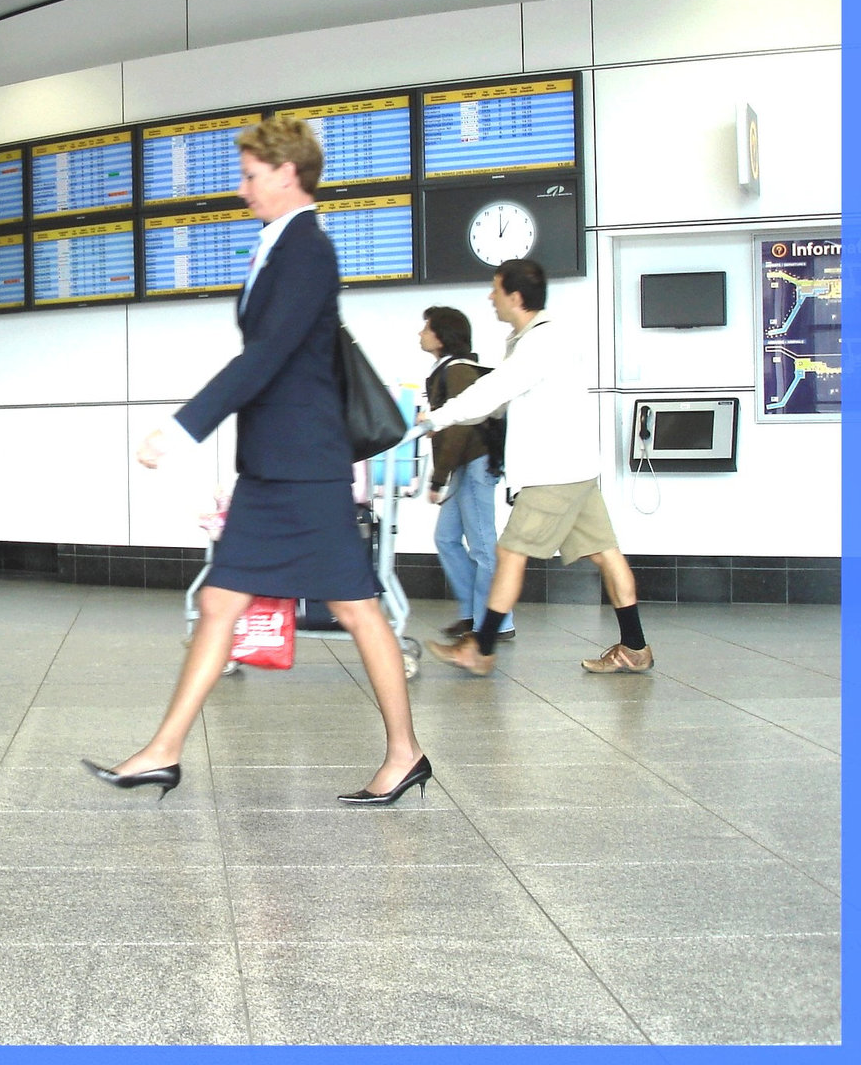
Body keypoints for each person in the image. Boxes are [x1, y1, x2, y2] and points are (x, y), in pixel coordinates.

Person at [81, 115, 428, 806]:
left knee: (358, 610)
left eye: (250, 175)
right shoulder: (277, 245)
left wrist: (182, 430)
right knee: (219, 602)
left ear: (287, 173)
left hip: (304, 468)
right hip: (277, 467)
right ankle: (164, 750)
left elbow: (265, 358)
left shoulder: (308, 251)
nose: (242, 190)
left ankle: (405, 753)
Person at [417, 258, 655, 676]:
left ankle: (482, 648)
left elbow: (494, 390)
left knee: (510, 552)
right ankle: (635, 646)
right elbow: (496, 402)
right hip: (575, 468)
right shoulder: (537, 338)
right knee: (605, 553)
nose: (490, 298)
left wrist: (437, 418)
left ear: (515, 296)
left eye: (495, 290)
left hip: (553, 472)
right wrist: (452, 416)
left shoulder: (539, 343)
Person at [420, 306, 515, 642]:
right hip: (464, 465)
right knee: (446, 539)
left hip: (474, 464)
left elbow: (459, 428)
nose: (421, 334)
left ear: (442, 336)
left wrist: (437, 478)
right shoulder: (445, 370)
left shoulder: (458, 370)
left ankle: (496, 623)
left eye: (426, 328)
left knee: (483, 545)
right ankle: (473, 614)